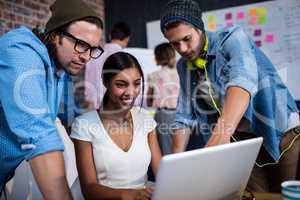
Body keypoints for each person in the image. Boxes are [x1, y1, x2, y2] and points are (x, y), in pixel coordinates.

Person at [160, 0, 300, 193]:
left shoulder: (231, 39)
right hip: (242, 139)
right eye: (175, 44)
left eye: (187, 39)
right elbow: (184, 115)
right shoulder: (183, 66)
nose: (182, 49)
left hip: (278, 128)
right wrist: (174, 167)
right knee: (252, 195)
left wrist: (222, 133)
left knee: (281, 195)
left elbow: (242, 80)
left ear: (199, 28)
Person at [0, 0, 104, 199]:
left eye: (93, 49)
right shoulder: (20, 51)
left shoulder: (58, 69)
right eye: (81, 45)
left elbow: (61, 116)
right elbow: (38, 132)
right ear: (55, 34)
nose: (87, 57)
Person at [71, 52, 162, 200]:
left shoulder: (145, 118)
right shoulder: (84, 125)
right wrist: (130, 195)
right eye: (121, 84)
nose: (131, 92)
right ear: (106, 82)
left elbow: (161, 174)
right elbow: (89, 189)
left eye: (137, 83)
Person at [85, 22, 131, 109]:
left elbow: (88, 79)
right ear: (127, 39)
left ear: (110, 36)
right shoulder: (125, 56)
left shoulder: (94, 54)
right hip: (115, 106)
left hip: (92, 105)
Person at [147, 43, 180, 155]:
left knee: (166, 150)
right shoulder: (181, 73)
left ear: (158, 57)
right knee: (180, 149)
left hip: (164, 115)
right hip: (181, 114)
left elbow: (149, 99)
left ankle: (169, 172)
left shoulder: (154, 75)